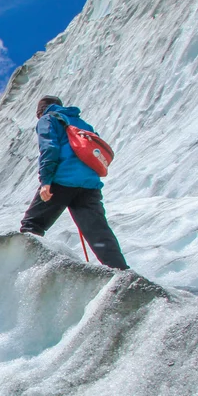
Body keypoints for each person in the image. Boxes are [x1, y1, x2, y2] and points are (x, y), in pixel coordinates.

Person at [19, 96, 128, 269]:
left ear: (40, 111)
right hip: (89, 184)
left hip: (62, 180)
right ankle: (121, 271)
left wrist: (46, 181)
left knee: (32, 224)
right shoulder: (82, 123)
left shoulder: (48, 119)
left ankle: (24, 267)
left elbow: (49, 148)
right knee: (98, 232)